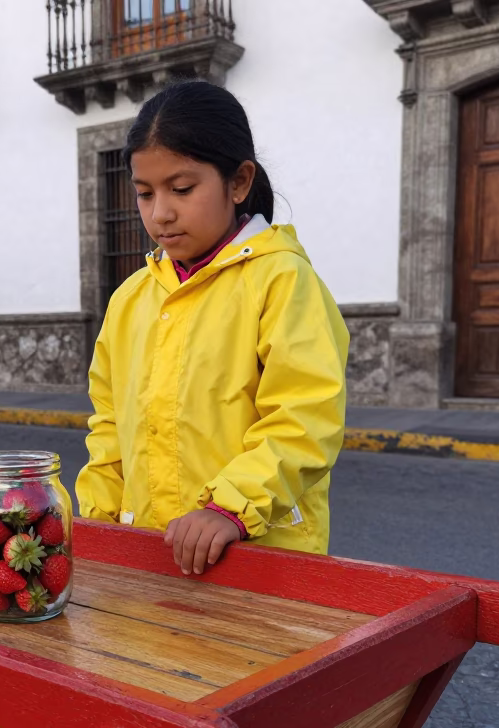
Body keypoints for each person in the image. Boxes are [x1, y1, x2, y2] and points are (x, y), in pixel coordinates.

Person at [75, 81, 349, 576]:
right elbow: (109, 425)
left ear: (239, 181)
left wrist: (229, 507)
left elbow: (305, 417)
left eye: (182, 189)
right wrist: (100, 520)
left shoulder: (282, 281)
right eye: (144, 193)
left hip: (258, 558)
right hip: (147, 557)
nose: (161, 213)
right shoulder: (131, 299)